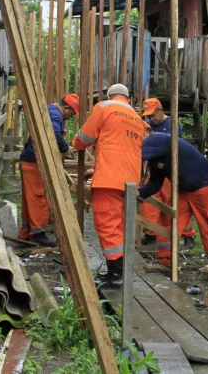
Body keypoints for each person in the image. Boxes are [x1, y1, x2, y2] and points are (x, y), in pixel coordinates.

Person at [73, 83, 144, 288]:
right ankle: (119, 270)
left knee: (107, 224)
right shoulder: (137, 119)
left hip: (109, 178)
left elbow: (85, 138)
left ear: (110, 95)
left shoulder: (104, 107)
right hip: (130, 179)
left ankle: (116, 275)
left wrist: (75, 144)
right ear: (127, 98)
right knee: (120, 225)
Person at [138, 132, 208, 269]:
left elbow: (137, 154)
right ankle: (165, 262)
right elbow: (155, 182)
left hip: (203, 186)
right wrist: (140, 193)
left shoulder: (157, 139)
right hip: (183, 190)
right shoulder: (154, 158)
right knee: (168, 220)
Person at [18, 94, 79, 246]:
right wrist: (65, 148)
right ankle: (38, 234)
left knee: (30, 199)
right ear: (66, 108)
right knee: (38, 197)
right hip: (35, 161)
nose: (70, 118)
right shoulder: (55, 115)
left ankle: (27, 231)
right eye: (71, 114)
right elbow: (54, 134)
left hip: (31, 160)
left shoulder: (50, 110)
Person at [140, 98, 196, 247]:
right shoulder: (148, 125)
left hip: (169, 169)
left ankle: (187, 234)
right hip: (154, 168)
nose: (151, 118)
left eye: (153, 115)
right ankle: (151, 232)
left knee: (174, 202)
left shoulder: (172, 124)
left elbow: (173, 147)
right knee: (149, 201)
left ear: (160, 110)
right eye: (148, 116)